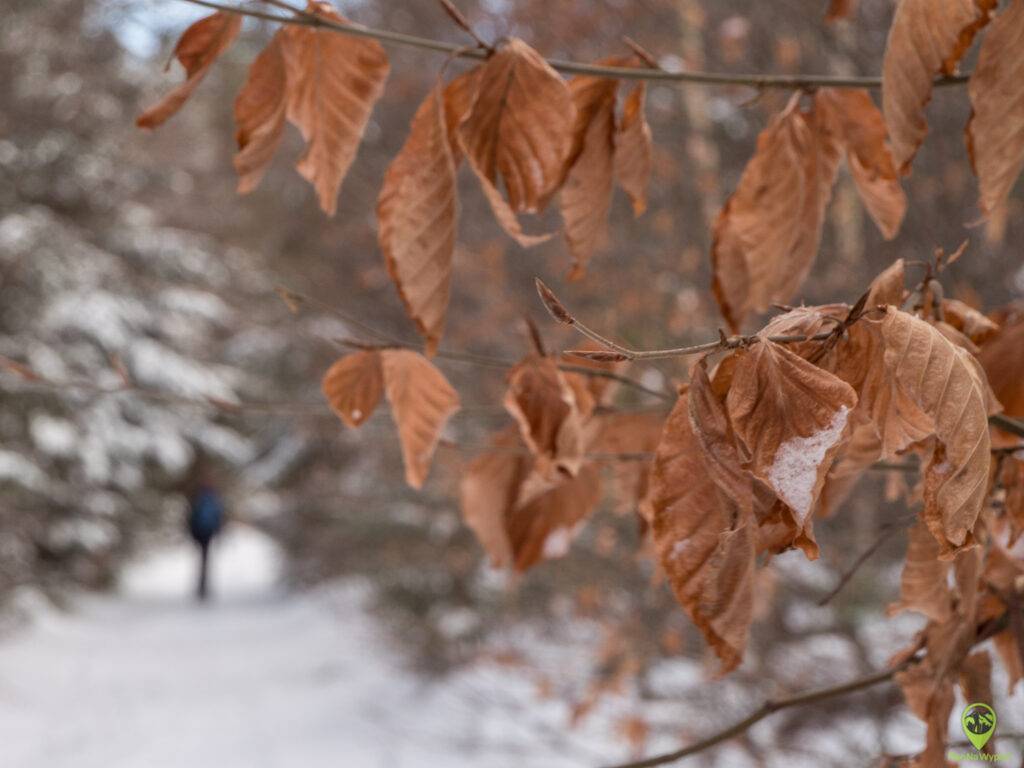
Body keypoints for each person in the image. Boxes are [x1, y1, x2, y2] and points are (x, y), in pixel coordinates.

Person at [187, 481, 224, 601]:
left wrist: (192, 533)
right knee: (206, 559)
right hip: (209, 534)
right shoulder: (214, 500)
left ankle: (201, 587)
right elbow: (219, 518)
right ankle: (204, 586)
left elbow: (191, 519)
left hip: (199, 534)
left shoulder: (197, 500)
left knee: (201, 560)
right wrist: (218, 532)